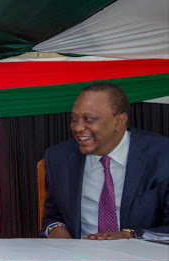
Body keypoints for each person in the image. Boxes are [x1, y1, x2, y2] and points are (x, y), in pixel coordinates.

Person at [42, 82, 169, 240]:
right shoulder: (59, 157)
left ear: (119, 122)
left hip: (142, 258)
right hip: (81, 257)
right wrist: (56, 229)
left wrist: (130, 236)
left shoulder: (162, 156)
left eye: (89, 119)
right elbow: (52, 217)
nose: (78, 128)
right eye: (74, 119)